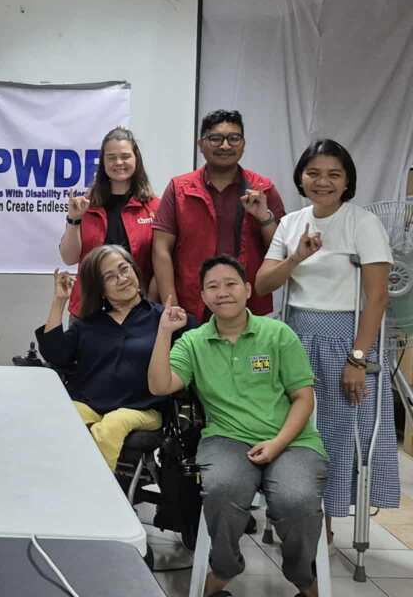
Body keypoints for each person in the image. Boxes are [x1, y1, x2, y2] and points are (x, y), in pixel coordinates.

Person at [148, 256, 326, 597]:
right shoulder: (194, 342)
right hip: (226, 440)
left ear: (246, 290)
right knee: (223, 490)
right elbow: (159, 385)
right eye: (212, 287)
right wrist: (164, 333)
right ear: (203, 296)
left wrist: (276, 444)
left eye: (230, 284)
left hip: (292, 441)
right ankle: (226, 567)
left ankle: (302, 576)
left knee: (297, 499)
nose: (222, 293)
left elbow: (304, 398)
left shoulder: (278, 334)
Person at [256, 139, 396, 539]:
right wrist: (296, 256)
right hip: (295, 335)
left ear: (347, 181)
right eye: (314, 173)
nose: (323, 181)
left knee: (335, 430)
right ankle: (289, 511)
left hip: (345, 339)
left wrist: (357, 359)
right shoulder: (291, 222)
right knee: (291, 427)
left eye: (334, 174)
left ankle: (327, 521)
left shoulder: (362, 223)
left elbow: (378, 296)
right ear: (301, 176)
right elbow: (263, 282)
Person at [36, 245, 192, 470]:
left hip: (143, 410)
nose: (122, 279)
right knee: (58, 420)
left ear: (135, 271)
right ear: (100, 289)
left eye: (124, 269)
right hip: (91, 404)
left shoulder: (165, 319)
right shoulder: (88, 324)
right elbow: (55, 354)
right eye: (110, 277)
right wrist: (59, 301)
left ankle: (97, 497)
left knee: (112, 425)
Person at [152, 109, 286, 321]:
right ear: (201, 144)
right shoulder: (179, 188)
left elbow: (280, 250)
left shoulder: (263, 188)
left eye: (234, 138)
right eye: (215, 138)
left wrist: (264, 217)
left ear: (243, 144)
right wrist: (171, 304)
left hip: (249, 305)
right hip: (192, 305)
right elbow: (161, 249)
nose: (225, 146)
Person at [58, 127, 159, 317]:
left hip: (137, 311)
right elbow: (69, 258)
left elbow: (160, 264)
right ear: (103, 162)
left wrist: (151, 303)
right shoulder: (86, 205)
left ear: (136, 159)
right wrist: (74, 219)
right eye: (111, 157)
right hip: (89, 310)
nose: (119, 162)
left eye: (125, 156)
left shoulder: (155, 207)